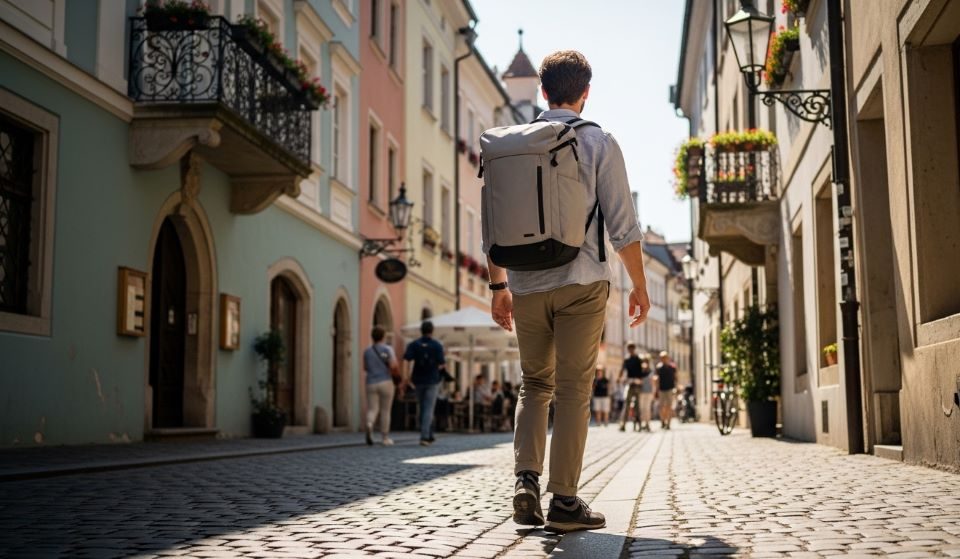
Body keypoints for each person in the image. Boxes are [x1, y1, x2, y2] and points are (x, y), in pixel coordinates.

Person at [485, 51, 651, 533]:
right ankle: (564, 503)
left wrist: (499, 286)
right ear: (585, 93)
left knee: (534, 384)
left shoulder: (506, 147)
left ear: (542, 92)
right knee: (575, 389)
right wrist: (639, 285)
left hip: (527, 284)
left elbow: (492, 225)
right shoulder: (599, 139)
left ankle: (525, 483)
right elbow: (623, 224)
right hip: (582, 282)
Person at [402, 321, 447, 446]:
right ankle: (425, 436)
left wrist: (406, 377)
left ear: (421, 330)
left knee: (423, 407)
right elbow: (442, 363)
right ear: (432, 331)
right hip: (432, 380)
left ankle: (429, 434)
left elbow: (406, 360)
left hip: (418, 380)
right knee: (428, 408)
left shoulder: (414, 344)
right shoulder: (437, 345)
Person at [362, 326, 398, 446]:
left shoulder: (367, 351)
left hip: (371, 382)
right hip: (385, 381)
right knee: (385, 410)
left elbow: (365, 368)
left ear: (372, 337)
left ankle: (369, 423)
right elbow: (393, 365)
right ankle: (385, 437)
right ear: (383, 336)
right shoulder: (387, 349)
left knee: (373, 408)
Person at [619, 344, 648, 431]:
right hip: (630, 382)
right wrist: (619, 378)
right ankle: (623, 424)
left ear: (634, 349)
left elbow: (644, 369)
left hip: (638, 383)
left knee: (637, 405)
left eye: (632, 348)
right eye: (629, 348)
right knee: (627, 404)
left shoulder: (639, 358)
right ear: (628, 349)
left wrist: (644, 367)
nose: (630, 350)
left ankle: (639, 424)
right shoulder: (627, 359)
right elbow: (622, 369)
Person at [656, 351, 678, 430]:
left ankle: (668, 423)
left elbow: (676, 378)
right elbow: (657, 379)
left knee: (669, 406)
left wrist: (676, 388)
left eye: (665, 358)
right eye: (662, 358)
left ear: (667, 358)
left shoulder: (672, 367)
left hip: (670, 389)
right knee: (661, 407)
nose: (663, 359)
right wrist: (656, 389)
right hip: (661, 389)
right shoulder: (659, 368)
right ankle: (662, 421)